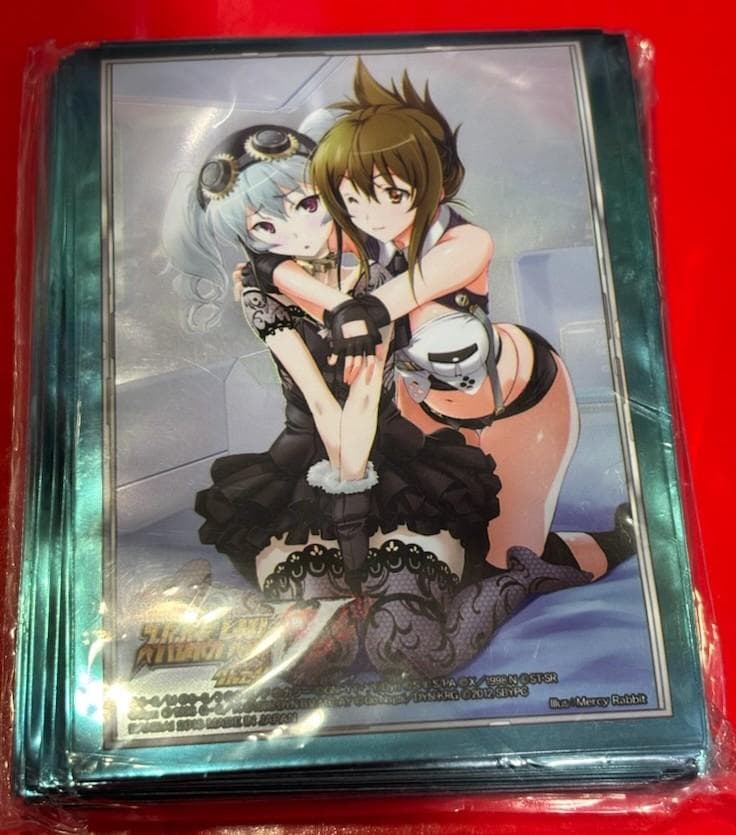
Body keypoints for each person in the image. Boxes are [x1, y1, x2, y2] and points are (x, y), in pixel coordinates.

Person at [309, 59, 636, 583]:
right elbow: (300, 248)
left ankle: (616, 543)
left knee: (511, 561)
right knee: (455, 547)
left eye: (389, 193)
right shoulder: (363, 242)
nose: (369, 212)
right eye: (352, 198)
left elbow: (410, 288)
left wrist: (362, 308)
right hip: (425, 408)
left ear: (435, 185)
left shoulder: (465, 242)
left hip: (519, 402)